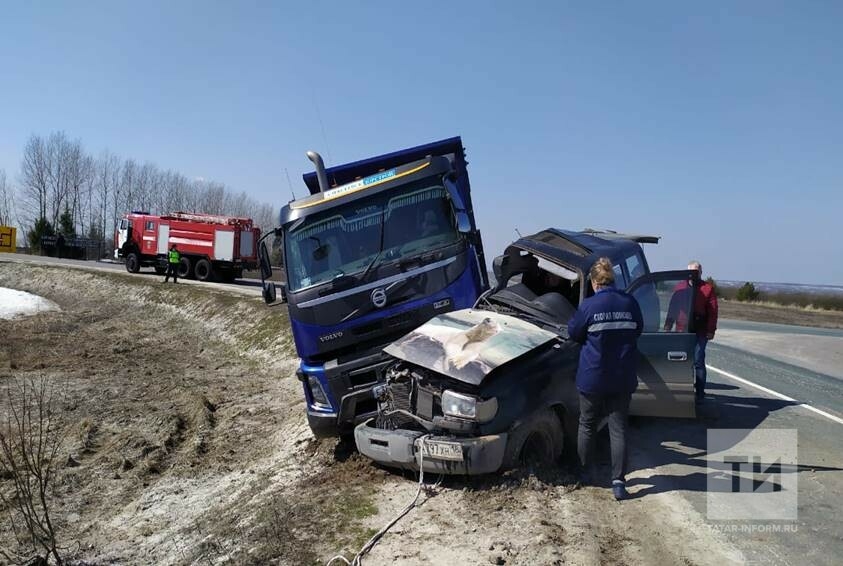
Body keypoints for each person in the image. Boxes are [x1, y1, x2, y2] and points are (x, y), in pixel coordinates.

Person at [567, 257, 643, 501]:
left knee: (587, 424)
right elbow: (638, 330)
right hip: (622, 378)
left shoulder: (589, 306)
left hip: (593, 378)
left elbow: (574, 333)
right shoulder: (630, 303)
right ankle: (619, 482)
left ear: (594, 282)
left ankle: (584, 472)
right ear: (613, 279)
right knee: (618, 428)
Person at [665, 261, 718, 403]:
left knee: (698, 360)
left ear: (701, 273)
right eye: (692, 272)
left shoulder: (707, 289)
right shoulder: (680, 287)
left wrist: (711, 330)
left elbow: (713, 312)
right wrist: (668, 326)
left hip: (700, 331)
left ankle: (700, 393)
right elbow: (673, 308)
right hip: (682, 330)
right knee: (680, 360)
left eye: (697, 272)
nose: (694, 275)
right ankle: (680, 391)